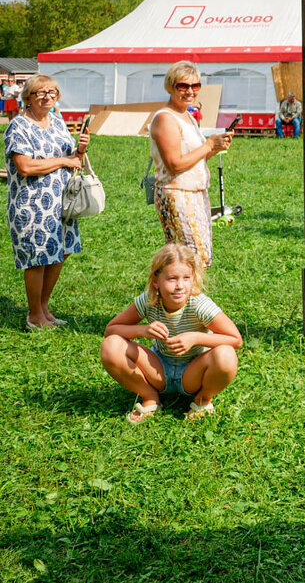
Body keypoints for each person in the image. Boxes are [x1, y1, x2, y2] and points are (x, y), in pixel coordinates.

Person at [100, 243, 242, 423]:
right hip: (158, 370)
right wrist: (142, 330)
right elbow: (111, 330)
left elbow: (235, 339)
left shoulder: (199, 304)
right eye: (172, 278)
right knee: (111, 345)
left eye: (186, 278)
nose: (180, 286)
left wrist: (196, 337)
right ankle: (149, 397)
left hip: (194, 373)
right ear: (156, 281)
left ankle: (202, 400)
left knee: (226, 354)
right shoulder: (149, 301)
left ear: (194, 279)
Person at [4, 75, 91, 330]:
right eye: (40, 92)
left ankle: (43, 310)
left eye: (52, 91)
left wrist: (81, 151)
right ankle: (34, 316)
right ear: (28, 97)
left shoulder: (58, 122)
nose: (47, 96)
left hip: (62, 203)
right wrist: (64, 161)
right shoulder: (18, 126)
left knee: (59, 254)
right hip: (32, 205)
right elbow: (25, 166)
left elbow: (72, 159)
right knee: (37, 258)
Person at [149, 61, 233, 269]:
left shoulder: (187, 115)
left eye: (195, 86)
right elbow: (174, 164)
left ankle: (186, 299)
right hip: (177, 194)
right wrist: (208, 144)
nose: (190, 91)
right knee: (187, 259)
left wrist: (215, 147)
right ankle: (172, 299)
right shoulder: (165, 118)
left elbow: (194, 161)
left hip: (196, 192)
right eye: (183, 86)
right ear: (171, 86)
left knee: (200, 256)